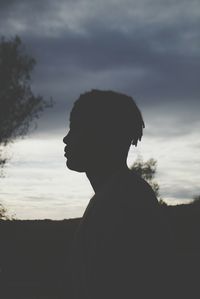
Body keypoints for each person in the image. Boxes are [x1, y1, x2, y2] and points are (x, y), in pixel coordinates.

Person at [63, 90, 171, 299]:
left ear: (102, 136)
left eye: (76, 129)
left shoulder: (119, 203)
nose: (66, 139)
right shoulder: (121, 195)